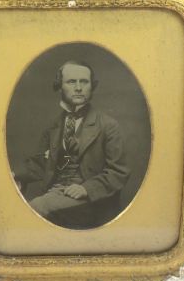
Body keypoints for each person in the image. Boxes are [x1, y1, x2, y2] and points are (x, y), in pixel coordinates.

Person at [13, 60, 130, 229]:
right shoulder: (54, 127)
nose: (78, 88)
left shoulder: (108, 125)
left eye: (84, 82)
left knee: (35, 209)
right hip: (55, 192)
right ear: (60, 87)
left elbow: (119, 172)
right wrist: (15, 175)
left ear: (92, 86)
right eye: (71, 82)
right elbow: (42, 164)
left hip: (91, 200)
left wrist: (87, 189)